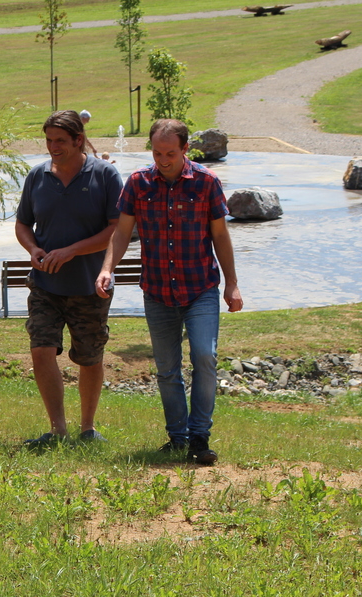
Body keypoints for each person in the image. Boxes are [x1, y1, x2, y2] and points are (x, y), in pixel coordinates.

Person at [95, 118, 242, 466]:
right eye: (157, 153)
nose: (163, 160)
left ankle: (199, 436)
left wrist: (232, 283)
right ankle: (178, 437)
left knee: (204, 356)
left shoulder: (206, 182)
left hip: (200, 287)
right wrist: (106, 268)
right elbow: (122, 232)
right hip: (157, 289)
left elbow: (220, 235)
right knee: (166, 369)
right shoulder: (138, 183)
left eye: (170, 154)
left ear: (185, 149)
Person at [15, 110, 123, 447]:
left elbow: (117, 229)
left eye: (60, 140)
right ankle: (57, 429)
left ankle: (87, 428)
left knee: (89, 358)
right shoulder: (37, 176)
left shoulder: (105, 175)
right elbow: (22, 223)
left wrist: (72, 251)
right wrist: (33, 248)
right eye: (49, 140)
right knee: (41, 349)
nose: (53, 147)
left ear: (79, 140)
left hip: (90, 286)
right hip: (45, 284)